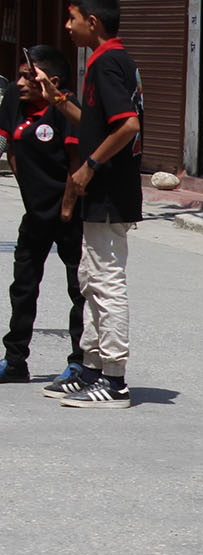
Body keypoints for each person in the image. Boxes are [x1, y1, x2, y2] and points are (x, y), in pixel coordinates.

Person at [32, 0, 140, 409]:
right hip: (102, 194)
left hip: (109, 192)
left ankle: (115, 382)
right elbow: (96, 123)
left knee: (107, 282)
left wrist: (89, 167)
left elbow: (128, 125)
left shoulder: (108, 63)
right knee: (90, 279)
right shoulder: (105, 61)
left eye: (72, 19)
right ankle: (93, 368)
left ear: (91, 22)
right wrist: (57, 99)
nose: (67, 26)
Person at [0, 45, 83, 388]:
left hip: (71, 214)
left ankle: (80, 362)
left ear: (52, 81)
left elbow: (76, 161)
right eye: (18, 75)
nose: (19, 82)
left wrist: (65, 207)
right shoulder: (12, 103)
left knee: (80, 289)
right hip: (36, 215)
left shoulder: (68, 109)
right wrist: (31, 198)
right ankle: (15, 361)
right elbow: (12, 152)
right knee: (23, 286)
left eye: (27, 75)